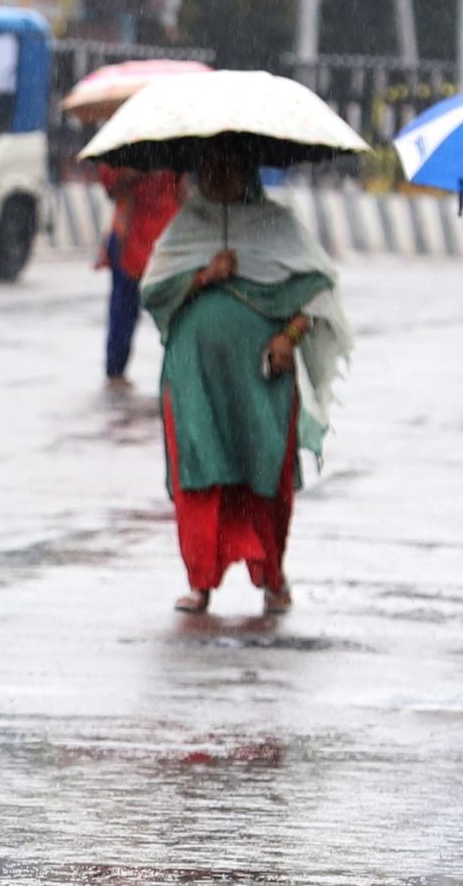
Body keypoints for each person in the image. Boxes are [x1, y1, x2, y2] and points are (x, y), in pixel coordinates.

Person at [140, 140, 352, 615]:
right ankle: (200, 582)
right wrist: (203, 276)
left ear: (249, 170)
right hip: (194, 378)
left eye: (229, 165)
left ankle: (272, 577)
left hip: (261, 380)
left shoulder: (278, 226)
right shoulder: (186, 228)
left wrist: (289, 337)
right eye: (209, 166)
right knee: (200, 471)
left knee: (264, 473)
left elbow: (319, 291)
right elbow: (153, 291)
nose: (218, 175)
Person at [97, 164, 183, 389]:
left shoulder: (175, 152)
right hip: (131, 237)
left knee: (176, 311)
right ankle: (116, 371)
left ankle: (179, 369)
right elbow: (111, 188)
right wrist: (139, 171)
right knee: (124, 310)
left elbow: (182, 189)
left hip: (167, 236)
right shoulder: (124, 153)